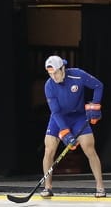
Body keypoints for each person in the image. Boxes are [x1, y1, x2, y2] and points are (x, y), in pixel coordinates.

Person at [40, 55, 106, 198]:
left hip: (78, 117)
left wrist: (95, 106)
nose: (54, 77)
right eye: (50, 74)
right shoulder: (49, 85)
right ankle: (47, 187)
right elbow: (56, 112)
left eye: (56, 72)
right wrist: (65, 133)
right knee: (49, 149)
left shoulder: (78, 75)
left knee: (89, 148)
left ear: (63, 68)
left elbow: (98, 86)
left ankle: (100, 187)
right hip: (59, 118)